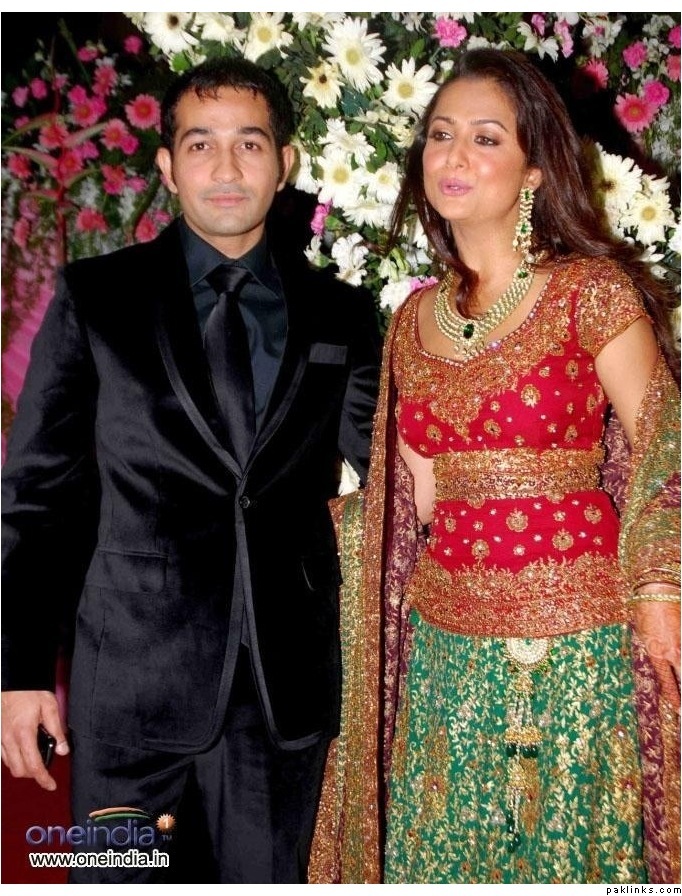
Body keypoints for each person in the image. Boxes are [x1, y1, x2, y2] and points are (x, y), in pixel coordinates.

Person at [1, 56, 381, 884]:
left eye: (250, 143)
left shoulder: (343, 313)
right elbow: (37, 498)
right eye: (201, 145)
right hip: (129, 693)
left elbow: (386, 478)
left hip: (283, 698)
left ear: (285, 163)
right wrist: (18, 672)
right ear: (168, 167)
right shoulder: (96, 298)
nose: (226, 167)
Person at [308, 48, 680, 885]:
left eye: (486, 138)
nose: (455, 155)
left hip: (577, 642)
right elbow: (411, 499)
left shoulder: (590, 292)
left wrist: (662, 589)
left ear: (535, 170)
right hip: (446, 652)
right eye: (441, 135)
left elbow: (667, 438)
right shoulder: (413, 321)